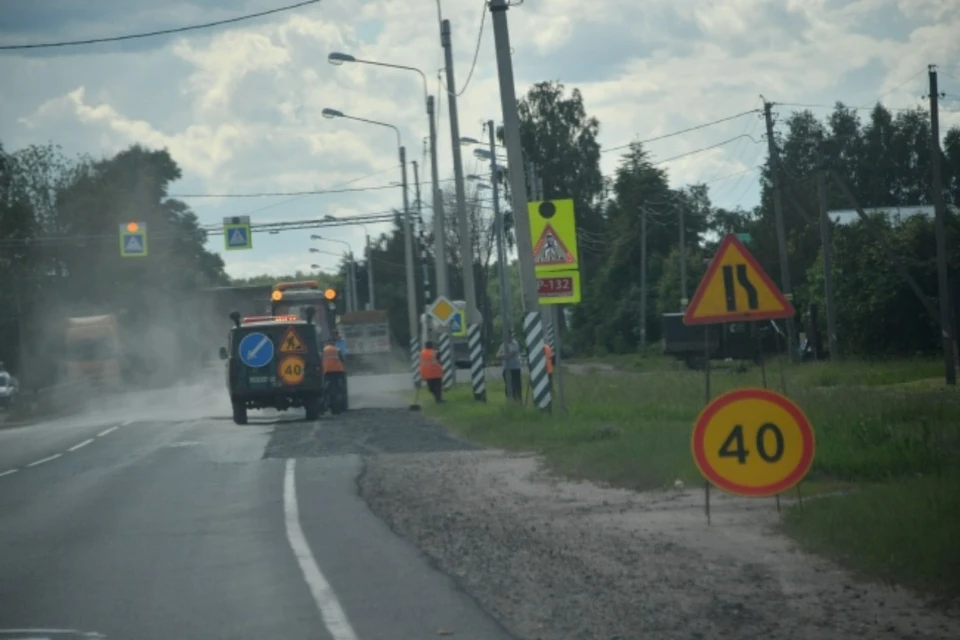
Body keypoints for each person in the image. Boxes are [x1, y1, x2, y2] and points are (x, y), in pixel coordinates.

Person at [321, 335, 346, 404]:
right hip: (338, 371)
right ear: (333, 343)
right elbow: (342, 359)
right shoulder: (337, 349)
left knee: (326, 385)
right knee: (340, 385)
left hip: (327, 371)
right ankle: (342, 397)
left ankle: (324, 400)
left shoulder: (324, 350)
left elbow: (321, 359)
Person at [502, 332, 522, 402]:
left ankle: (518, 400)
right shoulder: (503, 345)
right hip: (506, 368)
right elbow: (497, 355)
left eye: (509, 336)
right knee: (508, 385)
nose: (508, 337)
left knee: (516, 385)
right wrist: (504, 356)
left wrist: (503, 356)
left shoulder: (515, 344)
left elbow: (512, 354)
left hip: (515, 368)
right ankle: (509, 400)